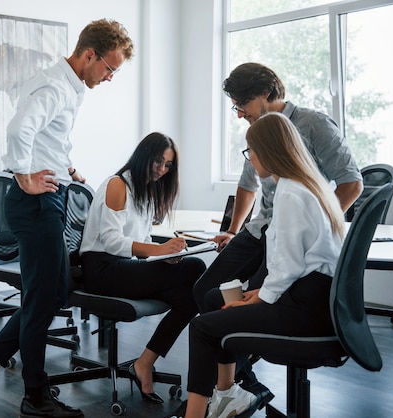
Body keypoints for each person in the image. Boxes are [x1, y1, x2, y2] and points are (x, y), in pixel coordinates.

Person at [0, 19, 134, 418]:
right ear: (88, 55)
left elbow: (49, 137)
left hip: (50, 197)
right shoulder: (56, 87)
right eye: (109, 68)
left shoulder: (68, 86)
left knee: (51, 293)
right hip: (37, 205)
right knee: (44, 299)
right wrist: (24, 175)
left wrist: (67, 169)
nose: (110, 77)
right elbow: (19, 131)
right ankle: (35, 396)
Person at [191, 62, 362, 403]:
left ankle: (235, 375)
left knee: (249, 298)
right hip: (263, 230)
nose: (240, 113)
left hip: (293, 237)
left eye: (243, 104)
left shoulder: (310, 125)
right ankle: (235, 381)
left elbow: (351, 183)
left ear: (265, 94)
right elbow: (247, 185)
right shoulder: (259, 131)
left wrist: (319, 229)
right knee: (208, 291)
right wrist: (233, 230)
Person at [172, 112, 346, 418]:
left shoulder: (291, 193)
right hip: (314, 299)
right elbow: (292, 264)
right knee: (215, 298)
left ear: (268, 150)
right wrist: (260, 293)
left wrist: (262, 296)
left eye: (250, 151)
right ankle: (228, 394)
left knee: (201, 328)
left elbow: (288, 263)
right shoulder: (308, 184)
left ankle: (196, 414)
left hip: (304, 310)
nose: (250, 159)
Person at [79, 132, 206, 403]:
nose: (162, 169)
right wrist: (158, 251)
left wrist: (163, 258)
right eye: (158, 161)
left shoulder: (146, 191)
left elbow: (143, 240)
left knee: (188, 298)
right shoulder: (117, 184)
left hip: (125, 266)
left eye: (168, 165)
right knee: (195, 267)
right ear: (144, 157)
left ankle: (144, 363)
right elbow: (112, 242)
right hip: (101, 269)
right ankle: (220, 355)